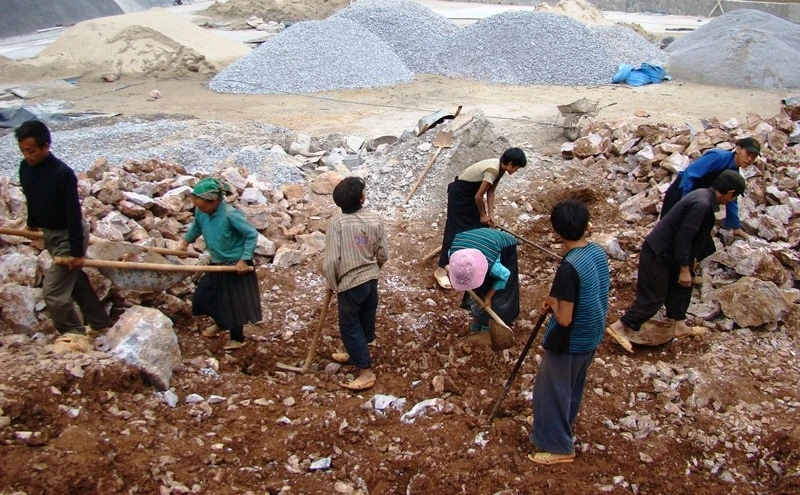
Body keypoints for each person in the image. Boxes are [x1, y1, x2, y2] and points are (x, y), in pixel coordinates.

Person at [606, 170, 747, 353]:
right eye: (734, 197)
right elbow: (684, 237)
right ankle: (620, 326)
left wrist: (690, 263)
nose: (732, 201)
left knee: (682, 288)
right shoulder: (702, 204)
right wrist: (683, 268)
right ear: (730, 193)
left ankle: (679, 325)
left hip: (668, 253)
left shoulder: (703, 196)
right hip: (658, 253)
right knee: (654, 297)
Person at [529, 199, 610, 465]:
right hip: (592, 332)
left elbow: (564, 319)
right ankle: (564, 426)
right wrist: (557, 300)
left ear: (557, 232)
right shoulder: (596, 252)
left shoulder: (569, 267)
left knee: (550, 391)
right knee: (571, 386)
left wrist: (553, 304)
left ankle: (558, 447)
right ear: (587, 226)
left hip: (570, 339)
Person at [16, 120, 113, 338]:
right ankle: (100, 322)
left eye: (31, 151)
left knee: (53, 293)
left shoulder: (62, 173)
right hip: (51, 235)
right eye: (23, 151)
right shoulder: (25, 168)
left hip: (69, 236)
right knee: (75, 281)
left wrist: (77, 252)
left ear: (46, 146)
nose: (27, 156)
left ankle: (73, 333)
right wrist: (31, 224)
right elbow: (32, 199)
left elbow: (73, 214)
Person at [179, 178, 261, 351]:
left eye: (203, 207)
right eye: (198, 207)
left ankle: (237, 339)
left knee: (234, 304)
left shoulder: (231, 214)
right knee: (203, 297)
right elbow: (196, 227)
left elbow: (251, 235)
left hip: (235, 266)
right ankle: (221, 322)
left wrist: (244, 259)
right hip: (216, 263)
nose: (201, 211)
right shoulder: (203, 213)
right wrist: (184, 244)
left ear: (215, 201)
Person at [323, 176, 389, 391]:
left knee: (349, 326)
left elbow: (332, 260)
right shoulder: (375, 219)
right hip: (371, 280)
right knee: (365, 319)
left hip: (350, 283)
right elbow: (383, 254)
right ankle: (356, 353)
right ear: (362, 199)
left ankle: (365, 372)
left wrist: (332, 283)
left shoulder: (337, 223)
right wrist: (373, 270)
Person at [434, 147, 527, 289]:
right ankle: (442, 268)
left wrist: (491, 215)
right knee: (454, 229)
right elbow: (479, 196)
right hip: (460, 194)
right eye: (517, 168)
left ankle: (472, 259)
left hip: (471, 195)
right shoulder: (493, 170)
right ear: (510, 163)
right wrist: (483, 215)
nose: (515, 171)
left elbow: (490, 192)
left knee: (481, 226)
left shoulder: (500, 170)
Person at [660, 137, 759, 238]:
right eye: (748, 154)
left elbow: (731, 198)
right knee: (666, 230)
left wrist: (735, 226)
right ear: (738, 149)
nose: (750, 159)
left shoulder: (734, 172)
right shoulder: (718, 157)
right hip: (681, 192)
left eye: (753, 157)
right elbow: (690, 174)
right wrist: (685, 200)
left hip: (697, 200)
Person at [446, 227, 519, 338]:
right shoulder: (456, 257)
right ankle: (478, 318)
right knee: (478, 286)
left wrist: (489, 297)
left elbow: (505, 275)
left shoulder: (494, 265)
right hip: (474, 240)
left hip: (503, 244)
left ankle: (494, 321)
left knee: (502, 292)